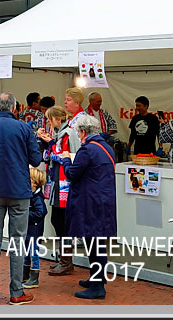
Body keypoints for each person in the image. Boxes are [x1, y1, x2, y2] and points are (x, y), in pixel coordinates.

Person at [0, 92, 42, 305]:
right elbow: (36, 159)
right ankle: (16, 291)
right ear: (14, 108)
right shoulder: (24, 128)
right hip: (20, 191)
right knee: (18, 242)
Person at [59, 115, 117, 299]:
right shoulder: (107, 147)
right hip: (104, 200)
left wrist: (66, 159)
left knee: (95, 244)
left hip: (90, 202)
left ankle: (98, 286)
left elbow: (72, 174)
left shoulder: (87, 150)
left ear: (83, 132)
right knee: (97, 242)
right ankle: (96, 278)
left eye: (78, 132)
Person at [37, 105, 80, 276]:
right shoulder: (60, 134)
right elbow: (48, 155)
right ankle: (64, 260)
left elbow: (64, 156)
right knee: (58, 220)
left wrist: (50, 144)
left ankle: (66, 261)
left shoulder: (67, 135)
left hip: (64, 182)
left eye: (50, 119)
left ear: (57, 119)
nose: (48, 122)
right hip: (57, 180)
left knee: (62, 221)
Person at [22, 168, 48, 289]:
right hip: (29, 230)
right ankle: (25, 274)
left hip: (34, 231)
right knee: (27, 251)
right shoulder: (31, 195)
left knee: (33, 253)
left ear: (34, 183)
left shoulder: (37, 198)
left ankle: (34, 277)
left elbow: (41, 212)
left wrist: (25, 214)